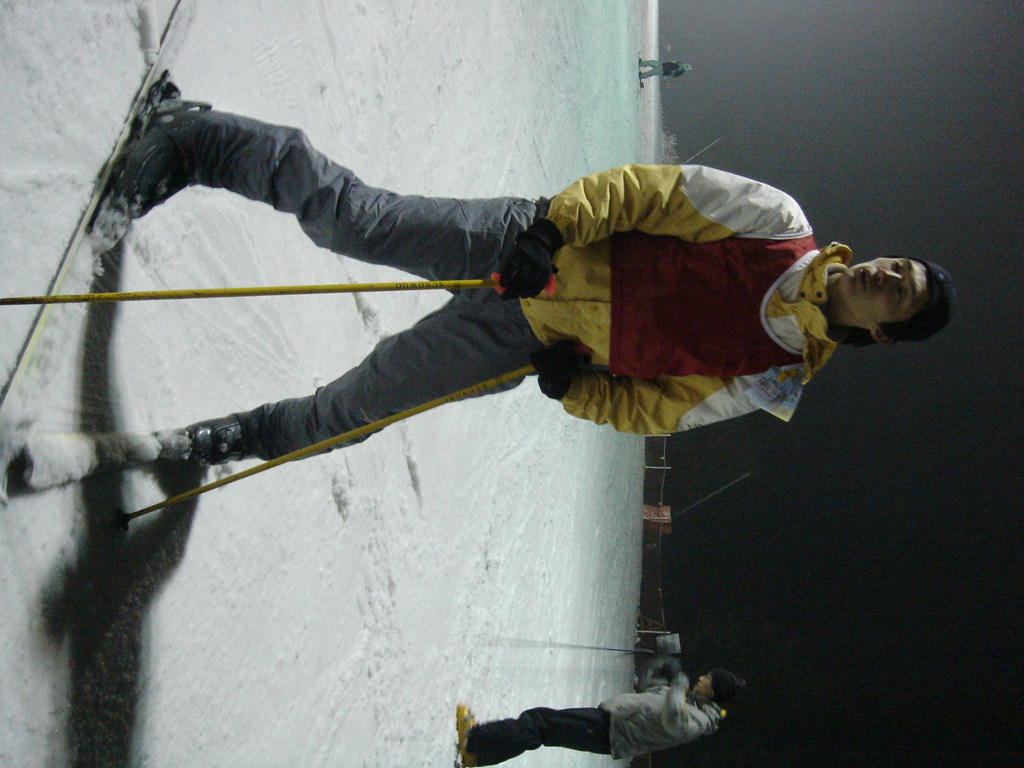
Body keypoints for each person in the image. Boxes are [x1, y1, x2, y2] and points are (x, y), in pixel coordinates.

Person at [96, 88, 956, 466]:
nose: (885, 273)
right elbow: (648, 192)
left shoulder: (777, 375)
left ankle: (241, 439)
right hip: (525, 247)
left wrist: (575, 389)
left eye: (899, 291)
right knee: (353, 220)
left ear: (883, 332)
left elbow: (660, 409)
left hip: (521, 337)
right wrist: (550, 230)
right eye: (898, 266)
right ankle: (193, 137)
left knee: (363, 406)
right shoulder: (778, 223)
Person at [456, 657, 745, 766]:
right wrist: (661, 673)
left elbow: (673, 720)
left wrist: (678, 683)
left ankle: (475, 742)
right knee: (543, 727)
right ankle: (479, 754)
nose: (702, 678)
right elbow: (649, 691)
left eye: (708, 679)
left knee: (540, 723)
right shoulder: (690, 701)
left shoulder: (700, 720)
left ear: (714, 691)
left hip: (611, 732)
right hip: (610, 720)